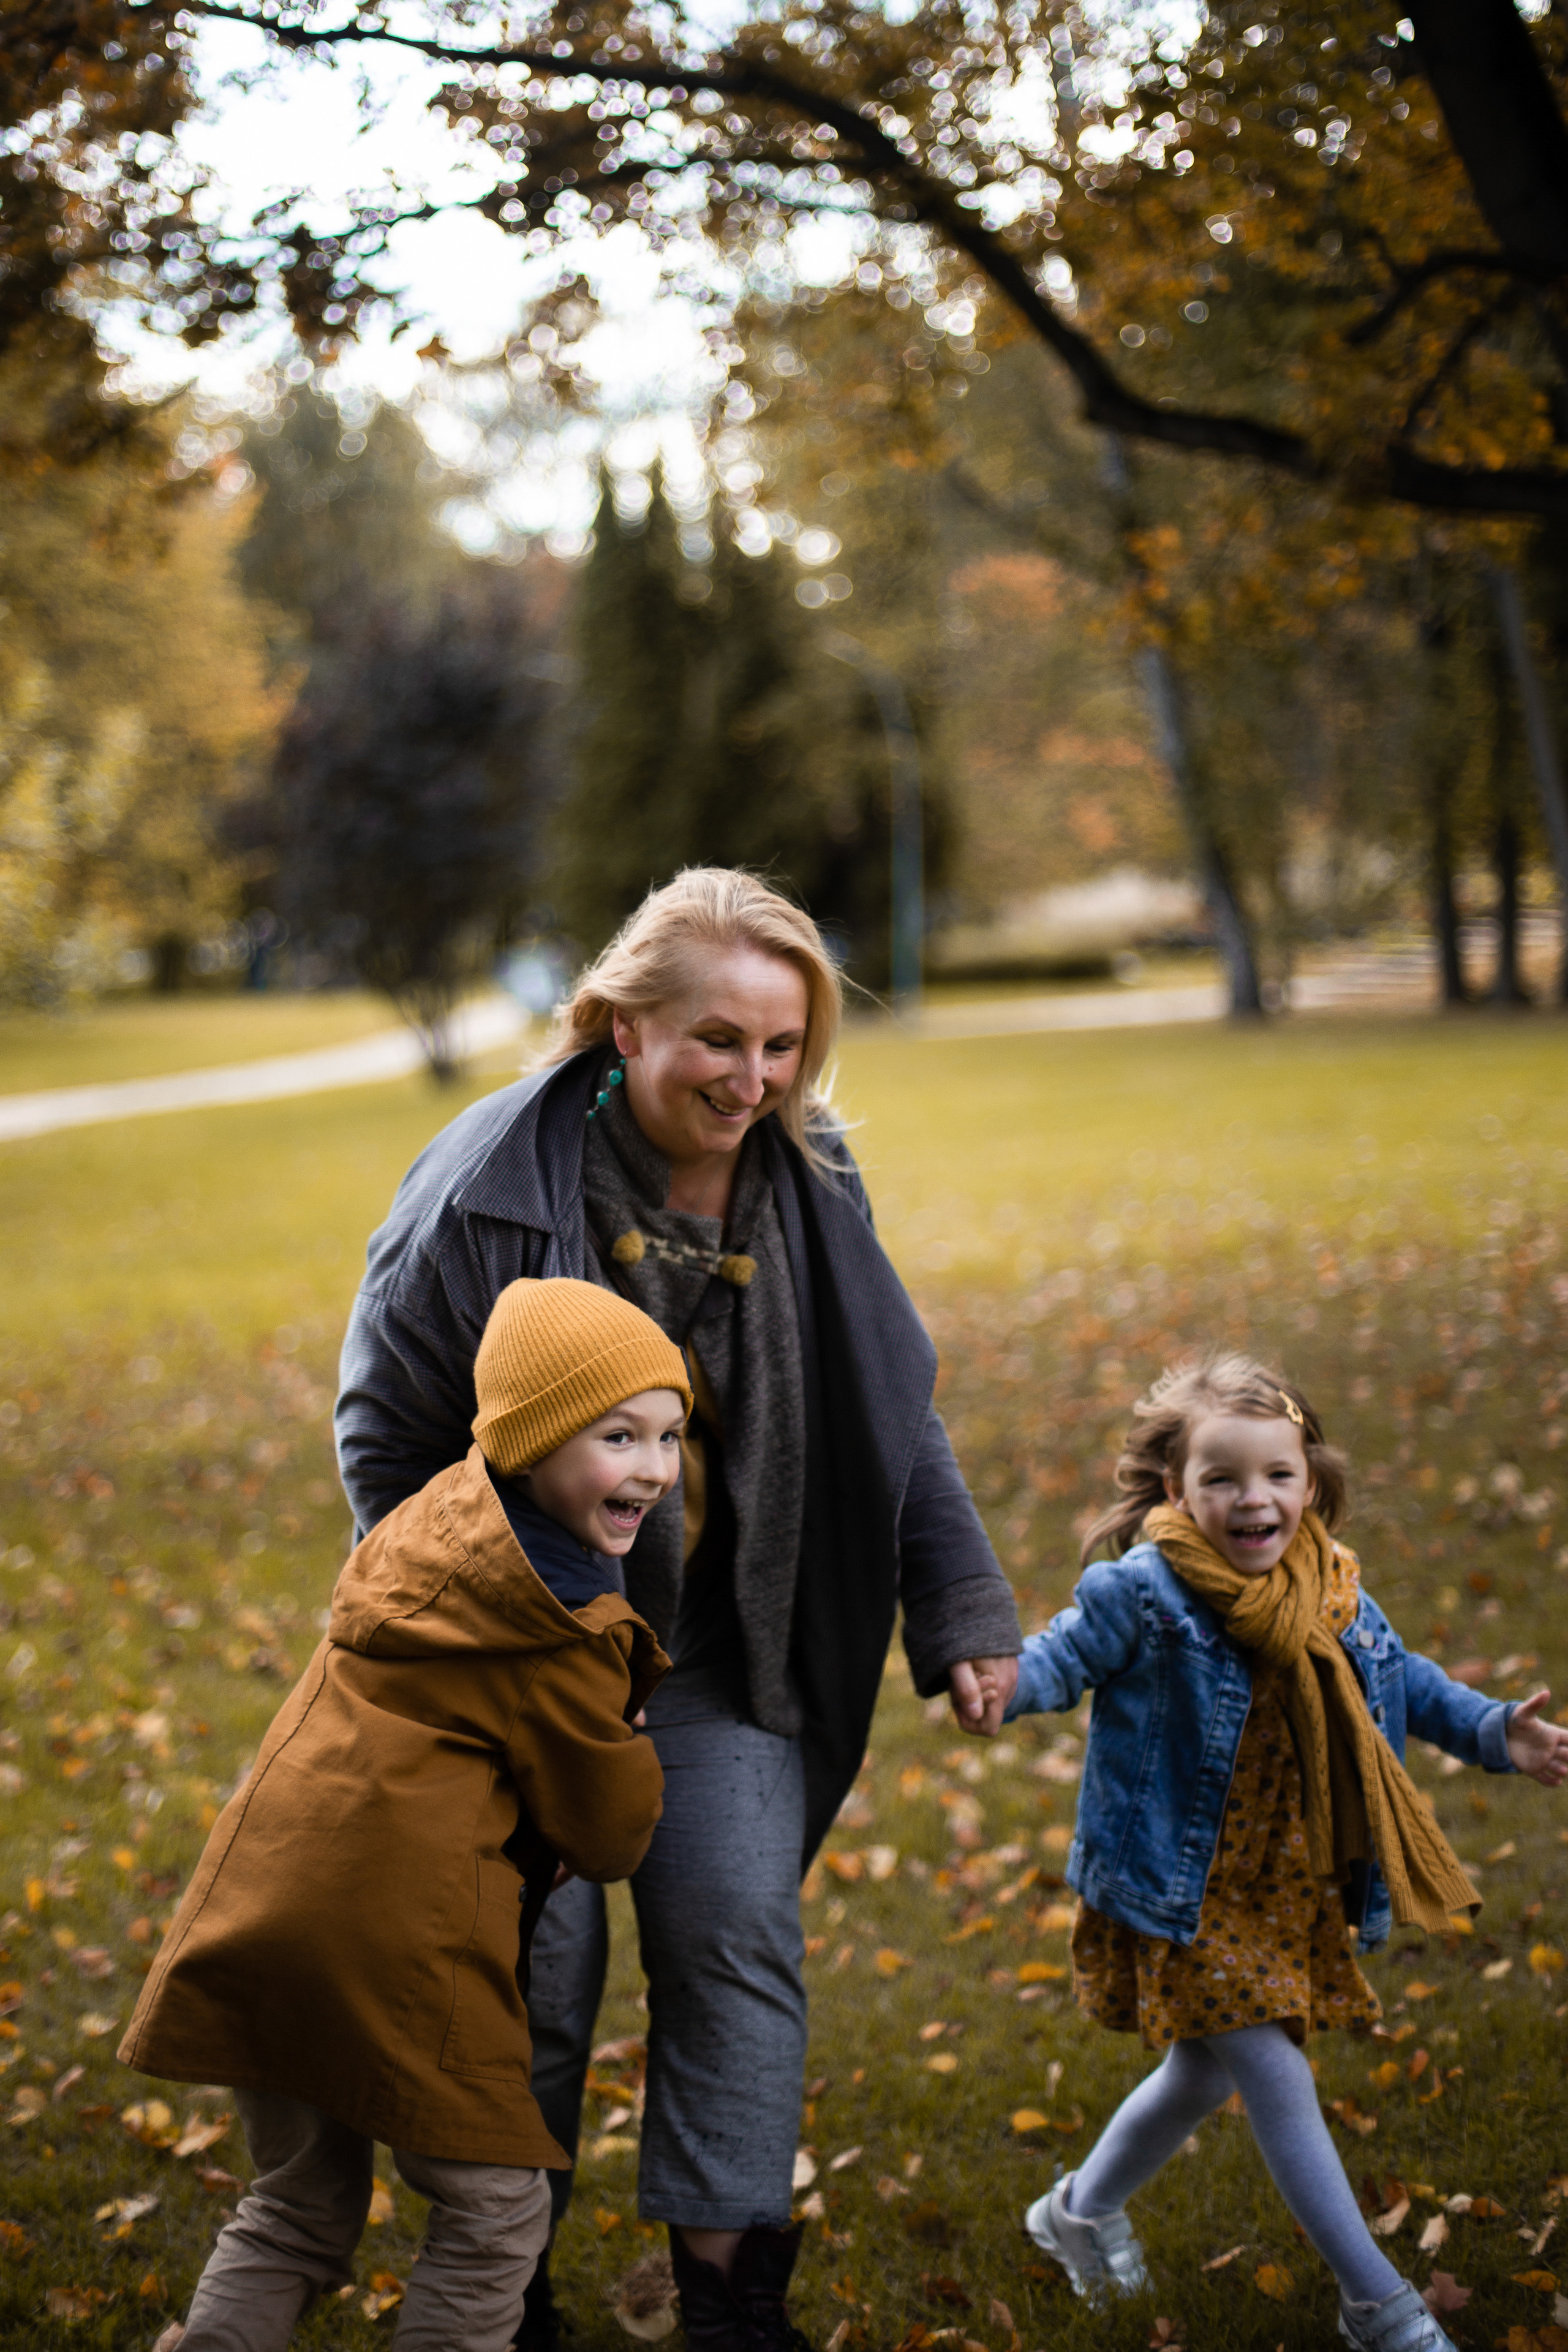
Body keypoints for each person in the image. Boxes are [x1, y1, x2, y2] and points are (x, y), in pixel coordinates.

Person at [334, 867, 1022, 2352]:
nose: (753, 1079)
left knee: (730, 1935)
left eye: (781, 1047)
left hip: (729, 1648)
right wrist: (476, 1633)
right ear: (619, 1024)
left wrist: (960, 1608)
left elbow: (889, 1411)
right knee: (536, 1971)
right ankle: (501, 2294)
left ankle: (726, 2302)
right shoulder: (489, 1189)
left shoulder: (810, 1169)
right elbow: (382, 1436)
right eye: (718, 1041)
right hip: (533, 1663)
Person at [120, 1278, 689, 2352]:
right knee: (494, 2216)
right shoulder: (560, 1628)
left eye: (669, 1436)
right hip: (398, 1952)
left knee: (297, 2206)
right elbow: (610, 1838)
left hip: (259, 1910)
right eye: (619, 1436)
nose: (655, 1468)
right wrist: (632, 1741)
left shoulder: (425, 1533)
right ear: (532, 1441)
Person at [998, 1351, 1568, 2352]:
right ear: (1177, 1490)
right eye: (1221, 1479)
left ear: (1311, 1485)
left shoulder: (1331, 1586)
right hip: (1185, 1889)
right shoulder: (1146, 1590)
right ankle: (1378, 2305)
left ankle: (1077, 2214)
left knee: (1202, 2077)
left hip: (1284, 1884)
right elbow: (1061, 1655)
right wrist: (999, 1684)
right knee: (1272, 2071)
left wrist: (1494, 1733)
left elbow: (1406, 1683)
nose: (1251, 1499)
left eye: (1277, 1476)